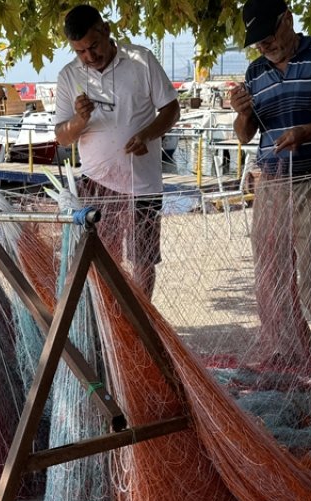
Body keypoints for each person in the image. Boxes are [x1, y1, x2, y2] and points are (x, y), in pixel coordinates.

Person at [229, 0, 311, 361]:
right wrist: (242, 113)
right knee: (270, 274)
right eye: (256, 42)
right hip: (271, 181)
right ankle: (286, 348)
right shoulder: (256, 71)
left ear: (287, 19)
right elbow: (245, 134)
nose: (263, 47)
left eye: (268, 37)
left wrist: (308, 132)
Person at [53, 4, 179, 295]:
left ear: (106, 30)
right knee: (101, 257)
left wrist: (147, 134)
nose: (89, 57)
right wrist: (78, 120)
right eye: (80, 52)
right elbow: (62, 137)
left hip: (143, 185)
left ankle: (141, 324)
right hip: (96, 184)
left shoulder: (141, 59)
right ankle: (109, 324)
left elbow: (171, 110)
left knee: (143, 260)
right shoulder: (68, 76)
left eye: (93, 46)